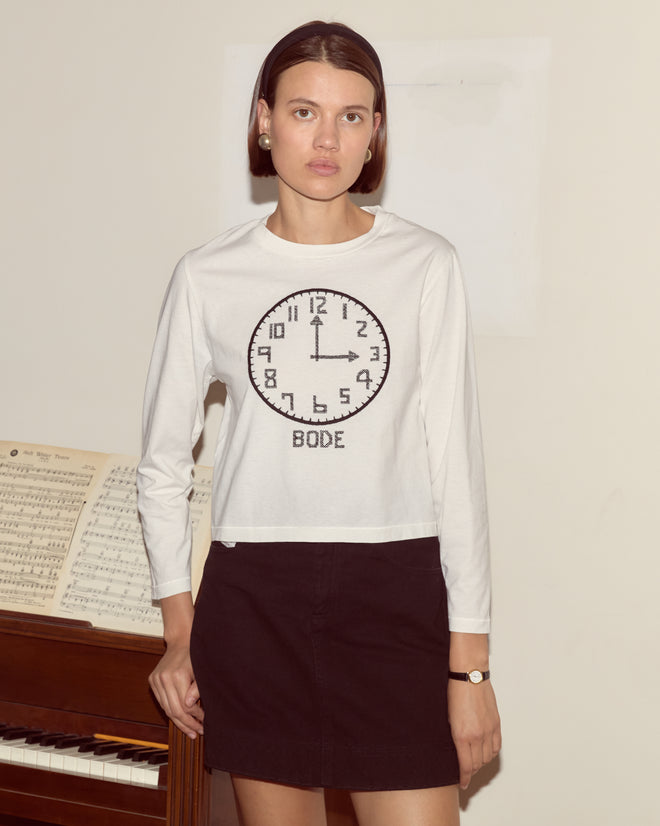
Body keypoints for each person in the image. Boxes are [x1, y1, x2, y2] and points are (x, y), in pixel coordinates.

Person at [137, 20, 501, 826]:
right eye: (303, 112)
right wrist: (178, 629)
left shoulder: (425, 265)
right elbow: (163, 464)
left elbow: (457, 468)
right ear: (263, 122)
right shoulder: (208, 275)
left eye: (351, 115)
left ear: (377, 135)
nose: (327, 138)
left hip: (396, 592)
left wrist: (469, 670)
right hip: (254, 598)